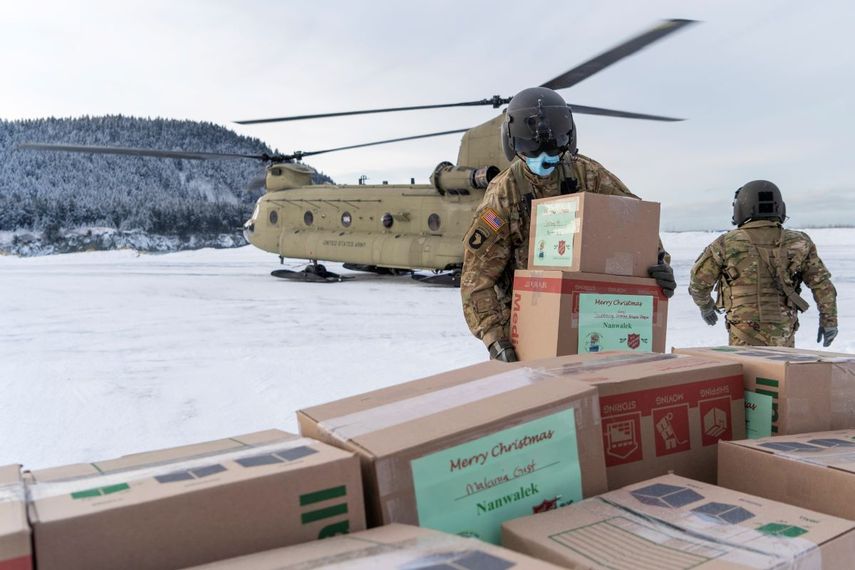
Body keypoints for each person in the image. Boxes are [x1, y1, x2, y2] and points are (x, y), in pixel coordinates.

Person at [460, 87, 675, 362]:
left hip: (590, 317)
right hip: (528, 322)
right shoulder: (503, 196)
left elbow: (633, 222)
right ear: (512, 144)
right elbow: (476, 279)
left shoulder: (589, 175)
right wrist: (496, 340)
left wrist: (659, 263)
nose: (544, 158)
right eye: (531, 149)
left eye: (554, 147)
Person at [688, 180, 837, 347]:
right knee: (780, 371)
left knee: (748, 371)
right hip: (783, 334)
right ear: (779, 207)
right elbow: (822, 285)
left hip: (743, 334)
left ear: (742, 207)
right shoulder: (799, 242)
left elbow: (698, 282)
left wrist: (706, 306)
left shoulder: (726, 243)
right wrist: (829, 321)